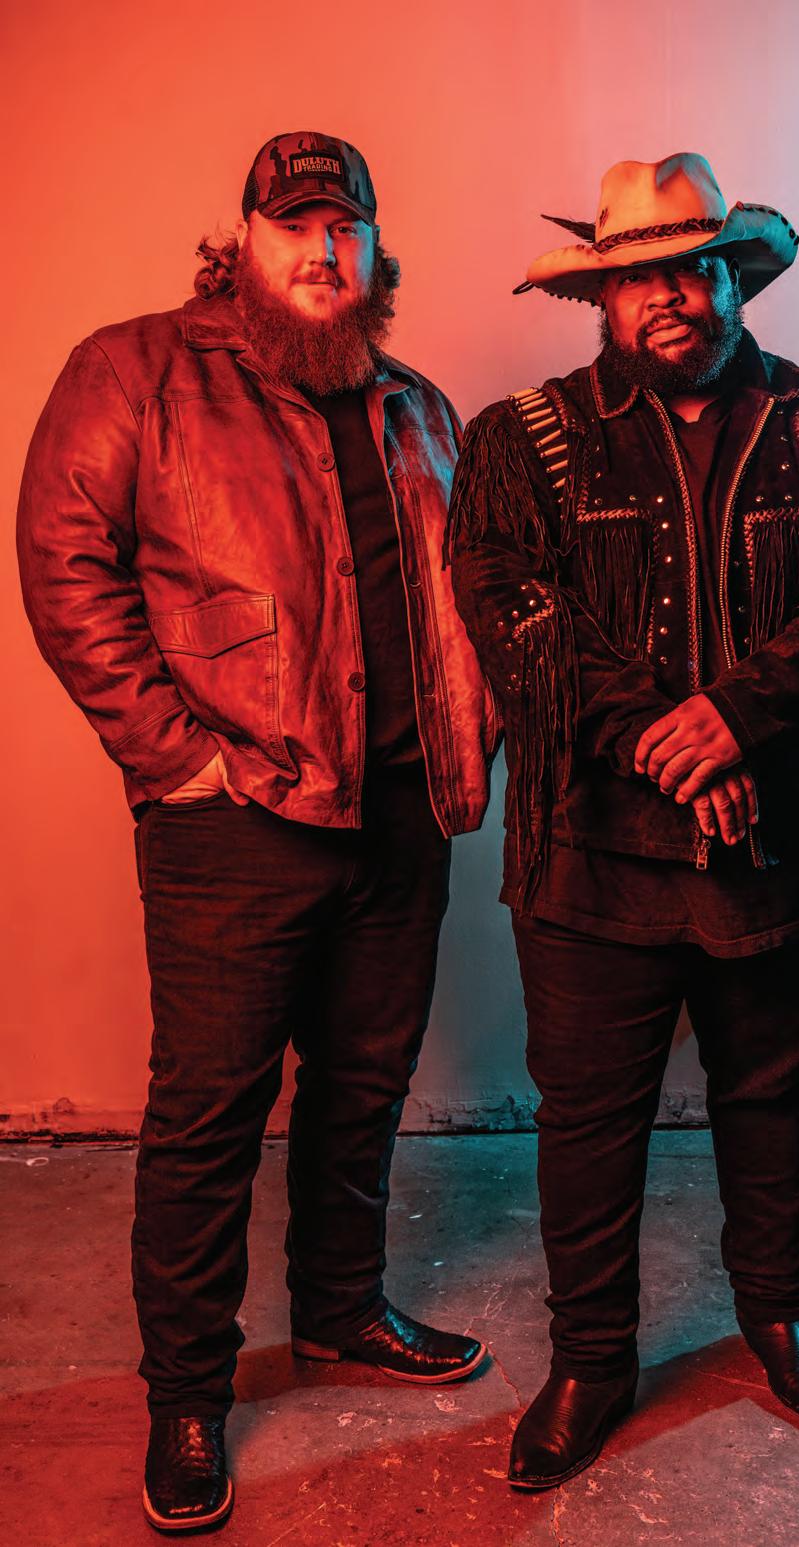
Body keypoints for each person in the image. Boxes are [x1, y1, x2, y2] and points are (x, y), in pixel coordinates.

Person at [17, 130, 497, 1533]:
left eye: (345, 228)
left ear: (374, 250)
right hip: (237, 817)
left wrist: (472, 745)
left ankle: (343, 1312)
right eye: (294, 226)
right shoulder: (139, 371)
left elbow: (462, 595)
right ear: (243, 241)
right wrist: (175, 755)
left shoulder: (417, 407)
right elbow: (63, 559)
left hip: (401, 811)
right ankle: (186, 1392)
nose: (321, 251)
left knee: (362, 1087)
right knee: (210, 1114)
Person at [446, 153, 799, 1489]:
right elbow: (509, 607)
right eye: (639, 276)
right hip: (590, 852)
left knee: (766, 1097)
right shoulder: (518, 440)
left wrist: (740, 716)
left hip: (778, 845)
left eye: (694, 266)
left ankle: (778, 1316)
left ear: (735, 277)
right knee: (586, 1120)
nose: (670, 293)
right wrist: (672, 745)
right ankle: (592, 1361)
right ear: (601, 299)